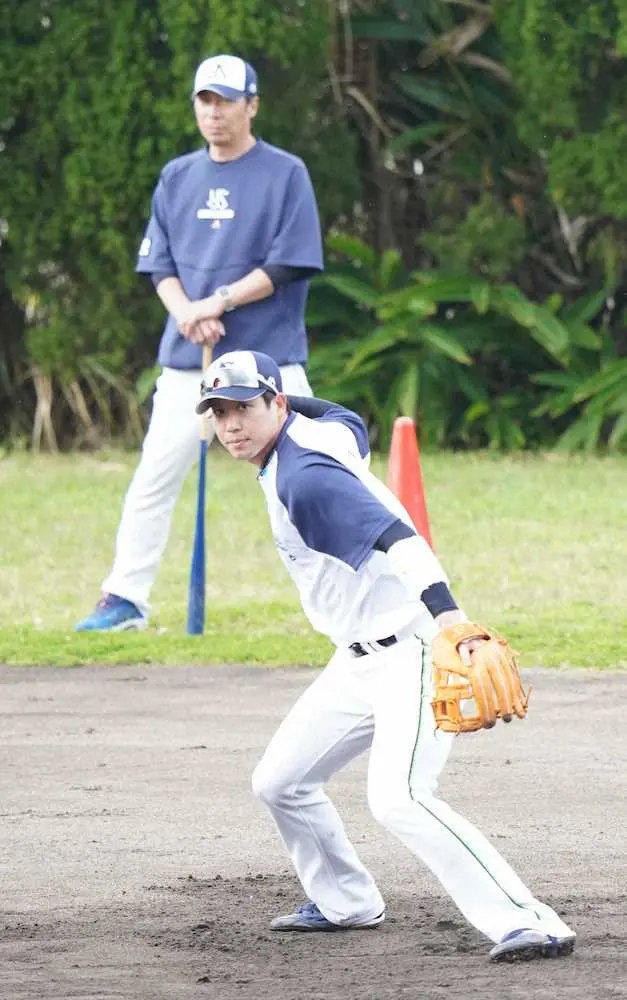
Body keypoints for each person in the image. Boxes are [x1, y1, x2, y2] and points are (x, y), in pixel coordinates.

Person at [194, 348, 577, 963]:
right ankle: (347, 900)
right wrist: (280, 396)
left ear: (276, 403)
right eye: (218, 412)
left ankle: (530, 922)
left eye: (243, 407)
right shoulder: (320, 429)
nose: (231, 424)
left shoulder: (306, 480)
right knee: (281, 782)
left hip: (413, 652)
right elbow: (345, 414)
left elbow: (401, 539)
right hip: (355, 663)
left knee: (400, 797)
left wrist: (450, 617)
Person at [76, 54, 323, 631]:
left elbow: (290, 262)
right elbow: (158, 262)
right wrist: (188, 312)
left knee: (308, 476)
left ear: (252, 105)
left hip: (268, 364)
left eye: (226, 101)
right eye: (204, 101)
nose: (214, 112)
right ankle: (125, 599)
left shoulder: (286, 173)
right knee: (154, 478)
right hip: (192, 361)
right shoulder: (177, 176)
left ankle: (349, 591)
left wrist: (222, 301)